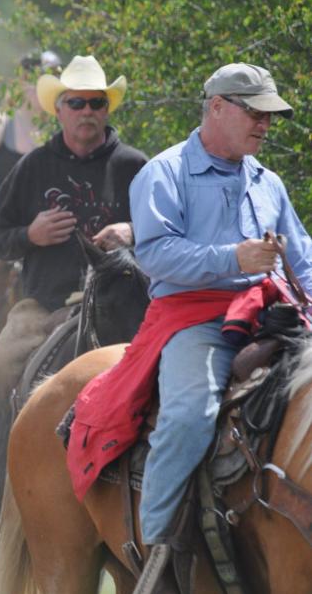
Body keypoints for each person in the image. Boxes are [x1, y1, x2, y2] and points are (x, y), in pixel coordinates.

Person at [125, 62, 312, 582]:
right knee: (187, 416)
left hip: (274, 316)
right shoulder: (163, 173)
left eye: (269, 116)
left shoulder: (268, 182)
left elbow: (304, 260)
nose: (265, 124)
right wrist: (234, 259)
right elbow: (156, 255)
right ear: (216, 107)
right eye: (255, 112)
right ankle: (157, 554)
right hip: (197, 318)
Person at [0, 55, 148, 517]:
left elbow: (168, 230)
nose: (87, 111)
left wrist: (133, 230)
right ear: (59, 109)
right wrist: (31, 235)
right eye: (76, 102)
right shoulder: (33, 166)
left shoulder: (136, 166)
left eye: (96, 102)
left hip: (127, 306)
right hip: (44, 305)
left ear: (108, 109)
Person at [0, 49, 62, 216]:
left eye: (49, 78)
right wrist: (23, 228)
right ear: (20, 82)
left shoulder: (65, 130)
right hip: (2, 233)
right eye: (32, 77)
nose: (39, 84)